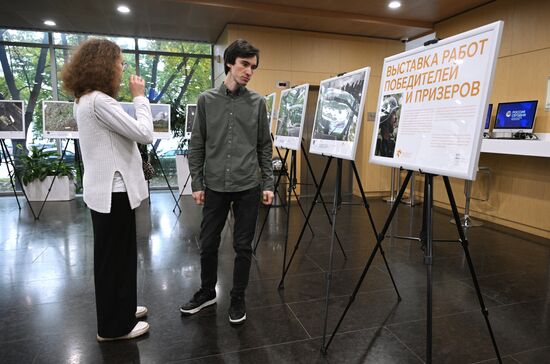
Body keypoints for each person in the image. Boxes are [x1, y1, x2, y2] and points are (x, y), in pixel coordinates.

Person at [61, 39, 154, 341]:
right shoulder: (100, 101)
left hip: (108, 192)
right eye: (119, 62)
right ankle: (114, 327)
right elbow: (145, 133)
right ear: (104, 65)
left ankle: (122, 309)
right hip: (114, 192)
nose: (122, 68)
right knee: (115, 258)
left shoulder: (85, 100)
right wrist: (140, 98)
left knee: (116, 257)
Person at [180, 39, 274, 324]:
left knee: (243, 247)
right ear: (229, 64)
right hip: (215, 186)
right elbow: (197, 145)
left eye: (253, 67)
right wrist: (197, 182)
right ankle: (207, 292)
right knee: (208, 243)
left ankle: (237, 297)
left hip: (247, 186)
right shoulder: (206, 100)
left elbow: (264, 147)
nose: (249, 71)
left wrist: (267, 183)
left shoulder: (257, 103)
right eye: (244, 64)